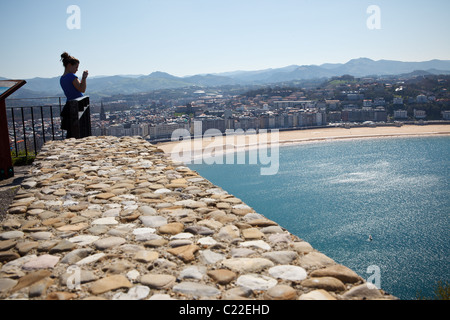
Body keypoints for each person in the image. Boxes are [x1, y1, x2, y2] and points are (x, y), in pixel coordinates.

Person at [59, 52, 88, 137]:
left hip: (69, 105)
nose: (77, 70)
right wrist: (84, 78)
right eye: (76, 67)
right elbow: (82, 89)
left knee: (71, 130)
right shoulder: (71, 76)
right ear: (69, 65)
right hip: (77, 105)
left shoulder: (62, 78)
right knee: (79, 129)